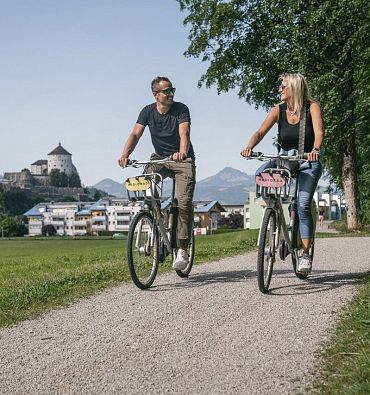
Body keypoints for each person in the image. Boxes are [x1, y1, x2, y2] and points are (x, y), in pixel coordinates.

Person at [241, 73, 324, 275]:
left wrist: (315, 150)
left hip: (306, 161)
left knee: (302, 205)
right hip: (285, 160)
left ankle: (305, 254)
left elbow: (319, 133)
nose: (280, 89)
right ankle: (273, 208)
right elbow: (260, 132)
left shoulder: (311, 107)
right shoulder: (278, 110)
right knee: (260, 172)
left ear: (294, 88)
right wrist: (249, 147)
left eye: (283, 86)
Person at [118, 76, 196, 270]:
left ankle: (183, 249)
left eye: (172, 90)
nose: (171, 94)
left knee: (184, 203)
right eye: (167, 91)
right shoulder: (147, 111)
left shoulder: (181, 109)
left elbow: (184, 132)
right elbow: (135, 134)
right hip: (159, 158)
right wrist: (125, 154)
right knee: (146, 189)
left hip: (182, 160)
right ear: (156, 95)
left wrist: (182, 152)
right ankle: (157, 219)